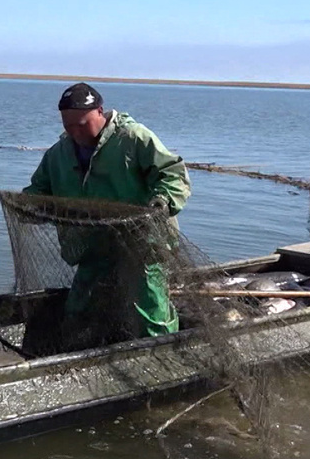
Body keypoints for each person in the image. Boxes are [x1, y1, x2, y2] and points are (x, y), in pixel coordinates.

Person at [22, 82, 191, 350]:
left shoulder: (133, 138)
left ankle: (163, 354)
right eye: (69, 126)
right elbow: (39, 191)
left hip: (142, 244)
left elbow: (172, 173)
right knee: (80, 308)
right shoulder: (59, 154)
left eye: (82, 124)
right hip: (93, 245)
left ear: (100, 112)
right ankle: (80, 355)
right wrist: (26, 205)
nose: (76, 132)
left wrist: (161, 202)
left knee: (149, 309)